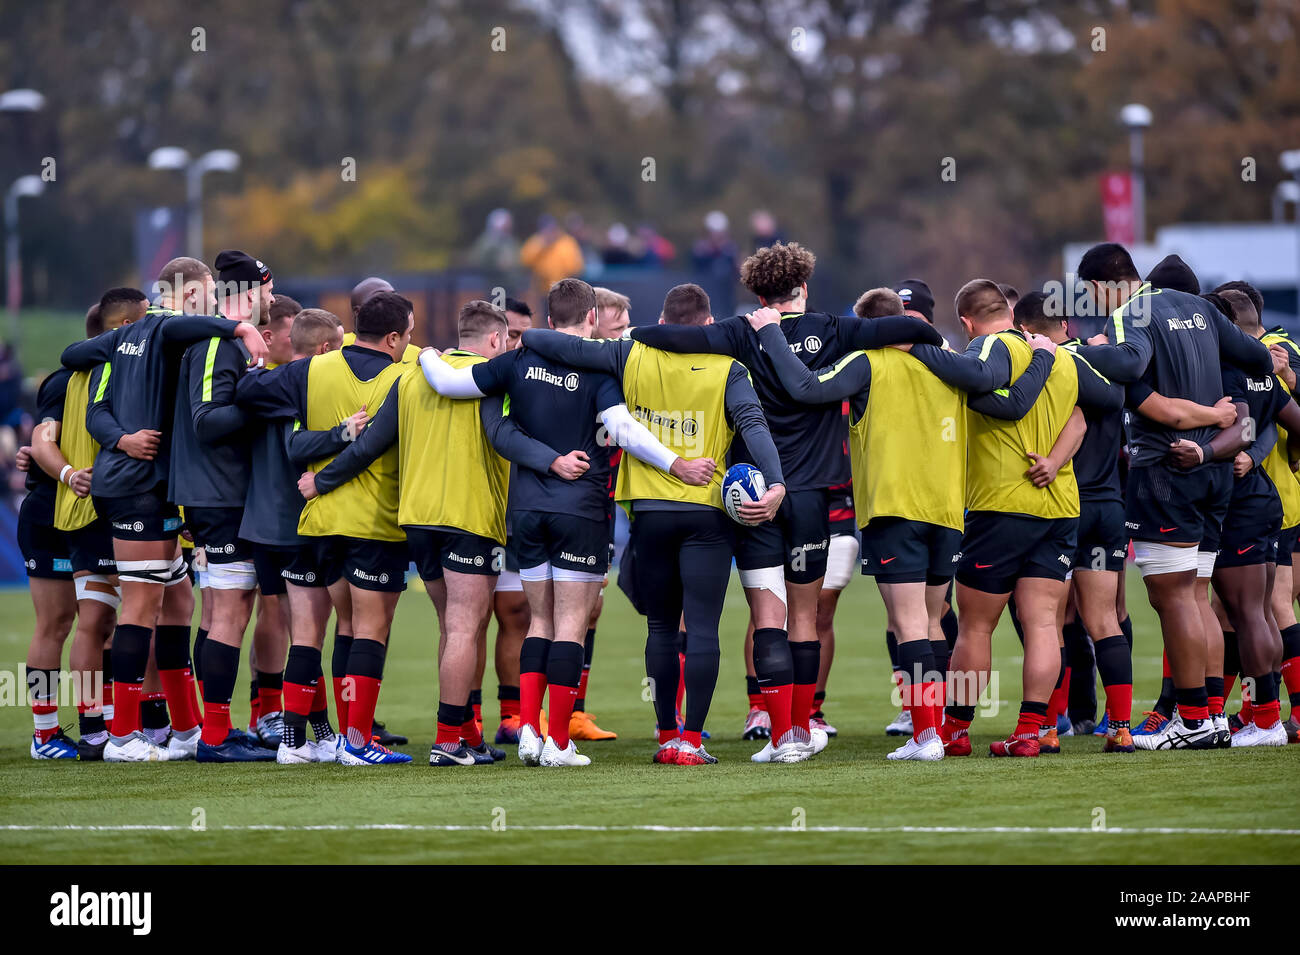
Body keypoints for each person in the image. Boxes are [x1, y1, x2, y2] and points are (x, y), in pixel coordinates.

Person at [630, 242, 943, 761]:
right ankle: (827, 727)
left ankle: (783, 738)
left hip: (754, 497)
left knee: (767, 619)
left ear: (758, 294)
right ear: (805, 287)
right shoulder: (838, 330)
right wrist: (933, 338)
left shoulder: (735, 332)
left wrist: (639, 331)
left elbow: (662, 335)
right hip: (814, 499)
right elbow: (910, 328)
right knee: (806, 618)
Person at [420, 282, 711, 766]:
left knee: (540, 621)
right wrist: (675, 463)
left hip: (527, 511)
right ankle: (558, 742)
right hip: (580, 508)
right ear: (592, 318)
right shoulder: (598, 366)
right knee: (571, 625)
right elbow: (622, 431)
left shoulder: (515, 361)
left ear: (550, 320)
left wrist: (426, 352)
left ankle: (531, 731)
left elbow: (448, 383)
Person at [523, 283, 785, 764]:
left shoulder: (629, 355)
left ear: (662, 323)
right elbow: (753, 424)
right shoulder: (729, 368)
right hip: (707, 509)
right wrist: (776, 483)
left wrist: (642, 334)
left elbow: (546, 342)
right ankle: (693, 739)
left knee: (661, 627)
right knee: (702, 626)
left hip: (649, 509)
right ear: (709, 325)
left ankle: (666, 735)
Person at [302, 299, 571, 767]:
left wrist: (321, 481)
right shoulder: (493, 378)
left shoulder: (412, 377)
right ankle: (448, 741)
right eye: (505, 340)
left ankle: (464, 733)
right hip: (468, 517)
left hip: (417, 519)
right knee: (466, 626)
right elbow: (505, 437)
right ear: (493, 340)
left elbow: (369, 444)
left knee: (455, 627)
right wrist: (554, 462)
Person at [60, 256, 268, 762]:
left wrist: (120, 435)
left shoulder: (122, 340)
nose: (216, 302)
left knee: (178, 603)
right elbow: (92, 398)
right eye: (210, 295)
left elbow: (85, 382)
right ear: (194, 295)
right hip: (135, 486)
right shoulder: (168, 331)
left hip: (151, 483)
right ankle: (120, 736)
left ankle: (185, 730)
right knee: (135, 609)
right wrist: (240, 324)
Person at [1073, 243, 1273, 750]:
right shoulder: (1201, 306)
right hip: (1216, 471)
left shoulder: (1128, 313)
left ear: (1101, 286)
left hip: (1166, 467)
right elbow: (1255, 356)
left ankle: (1190, 721)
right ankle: (1210, 714)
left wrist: (1074, 352)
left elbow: (1129, 360)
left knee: (1173, 596)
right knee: (1197, 593)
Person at [238, 291, 415, 766]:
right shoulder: (407, 373)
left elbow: (253, 397)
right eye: (410, 334)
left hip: (315, 524)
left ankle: (295, 743)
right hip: (373, 521)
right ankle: (356, 743)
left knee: (311, 633)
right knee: (366, 631)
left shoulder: (309, 370)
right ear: (395, 336)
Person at [25, 290, 147, 760]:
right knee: (57, 624)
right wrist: (66, 473)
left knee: (101, 623)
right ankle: (45, 731)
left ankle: (99, 724)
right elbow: (41, 439)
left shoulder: (119, 376)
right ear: (118, 331)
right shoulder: (67, 380)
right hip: (51, 514)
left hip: (92, 510)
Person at [240, 308, 364, 763]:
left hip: (262, 525)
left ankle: (318, 731)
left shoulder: (265, 384)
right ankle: (296, 743)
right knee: (310, 632)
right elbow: (297, 445)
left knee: (300, 630)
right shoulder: (301, 384)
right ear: (327, 349)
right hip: (293, 526)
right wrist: (344, 432)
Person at [520, 215, 584, 298]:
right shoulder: (536, 241)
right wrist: (541, 245)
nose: (549, 232)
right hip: (542, 289)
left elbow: (576, 267)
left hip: (564, 289)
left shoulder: (567, 242)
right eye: (546, 229)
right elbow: (525, 261)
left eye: (551, 229)